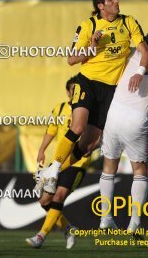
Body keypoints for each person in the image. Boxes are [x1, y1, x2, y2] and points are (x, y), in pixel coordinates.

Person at [41, 0, 148, 193]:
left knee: (90, 144)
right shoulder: (88, 25)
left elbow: (144, 51)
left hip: (110, 89)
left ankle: (50, 171)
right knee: (78, 126)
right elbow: (72, 59)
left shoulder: (129, 23)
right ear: (101, 6)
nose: (116, 1)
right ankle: (54, 169)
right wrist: (92, 46)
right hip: (88, 82)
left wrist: (140, 72)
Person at [98, 31, 148, 234]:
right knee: (139, 171)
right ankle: (134, 223)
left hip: (114, 114)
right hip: (137, 119)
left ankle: (106, 219)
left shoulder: (131, 53)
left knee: (109, 167)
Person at [26, 76, 96, 249]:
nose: (76, 93)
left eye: (79, 90)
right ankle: (67, 227)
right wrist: (42, 150)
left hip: (78, 163)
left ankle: (41, 236)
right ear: (68, 92)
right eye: (73, 90)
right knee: (44, 202)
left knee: (58, 196)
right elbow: (51, 130)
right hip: (58, 163)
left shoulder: (88, 110)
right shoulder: (60, 109)